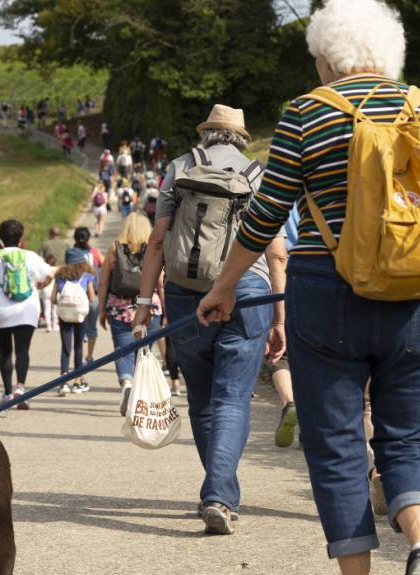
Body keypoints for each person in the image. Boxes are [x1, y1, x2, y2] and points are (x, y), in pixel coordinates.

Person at [195, 1, 420, 573]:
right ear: (389, 53)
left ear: (328, 56)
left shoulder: (306, 113)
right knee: (409, 439)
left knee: (336, 446)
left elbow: (265, 216)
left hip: (327, 294)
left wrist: (224, 287)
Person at [133, 104, 287, 537]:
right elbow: (276, 252)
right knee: (232, 398)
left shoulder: (180, 168)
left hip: (186, 291)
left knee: (202, 399)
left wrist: (145, 302)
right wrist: (280, 317)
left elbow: (159, 240)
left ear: (207, 134)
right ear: (241, 138)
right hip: (249, 290)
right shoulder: (259, 175)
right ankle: (219, 494)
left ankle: (218, 491)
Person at [0, 220, 52, 410]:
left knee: (5, 351)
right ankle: (20, 390)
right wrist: (41, 284)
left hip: (0, 310)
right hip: (27, 309)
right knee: (23, 350)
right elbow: (48, 274)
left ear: (1, 238)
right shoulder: (30, 256)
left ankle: (7, 394)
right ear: (22, 238)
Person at [96, 213, 165, 415]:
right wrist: (165, 308)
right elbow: (160, 282)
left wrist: (101, 310)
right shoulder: (153, 249)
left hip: (120, 308)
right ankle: (137, 395)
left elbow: (103, 282)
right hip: (149, 308)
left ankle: (127, 382)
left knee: (122, 350)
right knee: (143, 352)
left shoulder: (114, 248)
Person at [53, 248, 96, 396]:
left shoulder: (59, 277)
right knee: (78, 346)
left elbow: (53, 299)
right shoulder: (87, 276)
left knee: (66, 347)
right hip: (80, 315)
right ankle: (78, 381)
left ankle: (63, 381)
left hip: (64, 315)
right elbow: (91, 298)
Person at [73, 227, 103, 365]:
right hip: (93, 296)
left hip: (76, 296)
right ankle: (89, 356)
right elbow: (105, 265)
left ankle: (80, 355)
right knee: (92, 328)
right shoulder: (95, 253)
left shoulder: (71, 253)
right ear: (89, 238)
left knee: (78, 328)